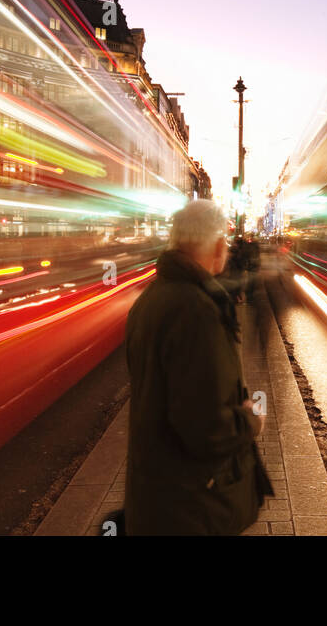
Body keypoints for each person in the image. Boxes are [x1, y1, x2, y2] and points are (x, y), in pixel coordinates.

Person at [122, 200, 273, 536]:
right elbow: (208, 428)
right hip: (190, 507)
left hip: (158, 494)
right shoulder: (196, 310)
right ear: (218, 245)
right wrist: (251, 420)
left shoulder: (152, 298)